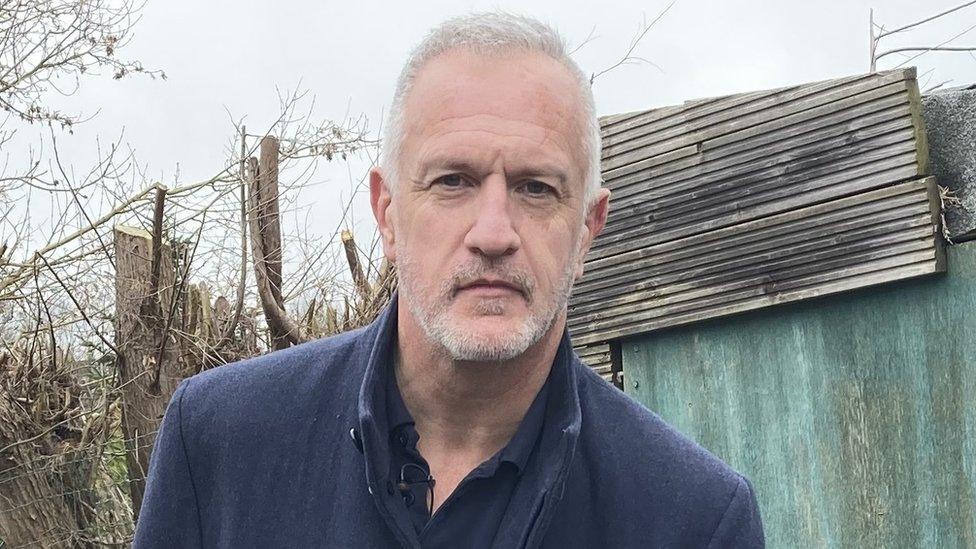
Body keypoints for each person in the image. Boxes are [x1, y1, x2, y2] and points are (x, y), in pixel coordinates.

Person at [134, 12, 764, 548]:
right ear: (387, 212)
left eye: (536, 188)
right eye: (453, 181)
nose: (493, 233)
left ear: (587, 230)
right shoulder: (218, 445)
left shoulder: (694, 520)